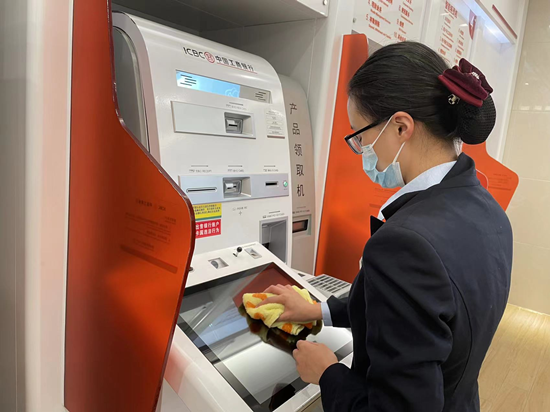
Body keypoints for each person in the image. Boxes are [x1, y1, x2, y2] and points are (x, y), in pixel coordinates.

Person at [258, 42, 513, 412]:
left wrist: (328, 373)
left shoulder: (406, 243)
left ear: (401, 126)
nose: (361, 148)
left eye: (360, 135)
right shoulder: (487, 210)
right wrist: (319, 311)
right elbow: (426, 315)